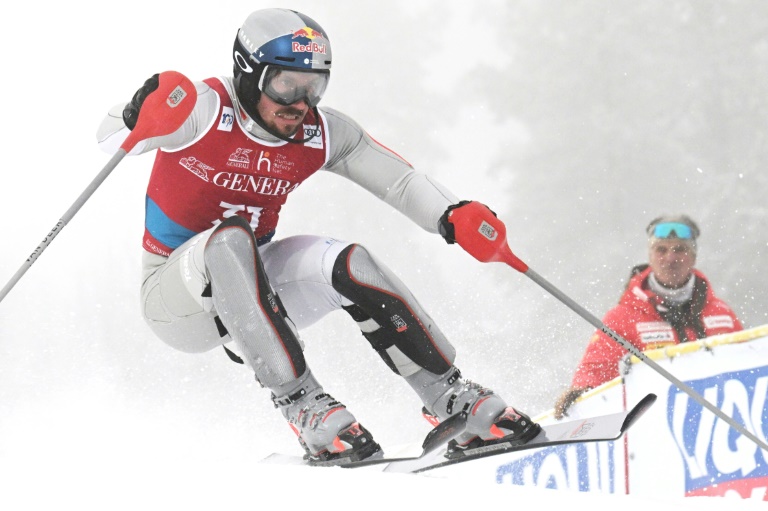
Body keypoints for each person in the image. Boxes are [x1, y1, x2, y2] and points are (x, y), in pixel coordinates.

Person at [96, 8, 540, 463]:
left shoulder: (320, 134)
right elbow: (109, 138)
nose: (300, 102)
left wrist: (450, 215)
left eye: (314, 87)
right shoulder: (201, 110)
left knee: (349, 262)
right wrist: (135, 113)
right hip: (176, 301)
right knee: (229, 239)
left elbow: (399, 182)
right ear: (249, 72)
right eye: (287, 83)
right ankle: (302, 405)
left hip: (256, 294)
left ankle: (451, 396)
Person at [553, 214, 743, 419]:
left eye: (680, 249)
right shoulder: (623, 317)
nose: (670, 258)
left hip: (718, 425)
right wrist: (582, 392)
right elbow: (596, 368)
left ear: (693, 256)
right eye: (661, 249)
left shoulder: (721, 313)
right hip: (657, 428)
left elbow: (747, 364)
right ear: (650, 256)